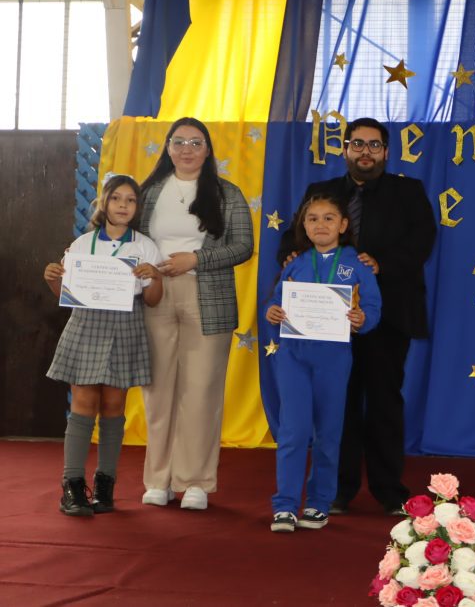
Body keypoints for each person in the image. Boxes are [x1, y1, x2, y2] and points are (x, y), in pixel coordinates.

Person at [277, 117, 436, 515]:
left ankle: (389, 490)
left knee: (384, 402)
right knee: (338, 408)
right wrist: (290, 254)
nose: (366, 152)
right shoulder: (322, 192)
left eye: (374, 145)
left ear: (386, 151)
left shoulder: (408, 191)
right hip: (324, 324)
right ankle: (337, 491)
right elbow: (293, 236)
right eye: (358, 144)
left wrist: (381, 265)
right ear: (345, 149)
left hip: (388, 315)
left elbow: (422, 242)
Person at [139, 117, 254, 511]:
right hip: (155, 294)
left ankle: (195, 482)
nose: (186, 149)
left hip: (208, 297)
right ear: (167, 148)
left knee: (201, 391)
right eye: (179, 141)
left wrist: (196, 259)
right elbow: (127, 236)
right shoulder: (149, 191)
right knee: (157, 391)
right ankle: (158, 479)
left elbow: (244, 246)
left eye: (195, 142)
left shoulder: (227, 193)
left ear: (207, 150)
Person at [45, 174, 164, 516]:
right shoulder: (82, 244)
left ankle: (105, 484)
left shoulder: (145, 246)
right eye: (116, 198)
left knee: (113, 406)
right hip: (86, 325)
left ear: (137, 207)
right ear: (104, 203)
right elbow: (66, 295)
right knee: (83, 403)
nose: (123, 205)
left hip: (126, 325)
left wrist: (155, 277)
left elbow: (153, 300)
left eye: (130, 200)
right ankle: (72, 486)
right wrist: (53, 280)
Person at [265, 194, 381, 533]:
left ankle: (318, 502)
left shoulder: (358, 264)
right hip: (294, 357)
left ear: (343, 225)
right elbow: (276, 301)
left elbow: (372, 307)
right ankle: (285, 505)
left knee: (328, 433)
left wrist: (363, 319)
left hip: (334, 358)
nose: (320, 224)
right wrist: (272, 312)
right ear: (303, 226)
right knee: (293, 432)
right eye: (312, 218)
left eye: (329, 218)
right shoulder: (295, 263)